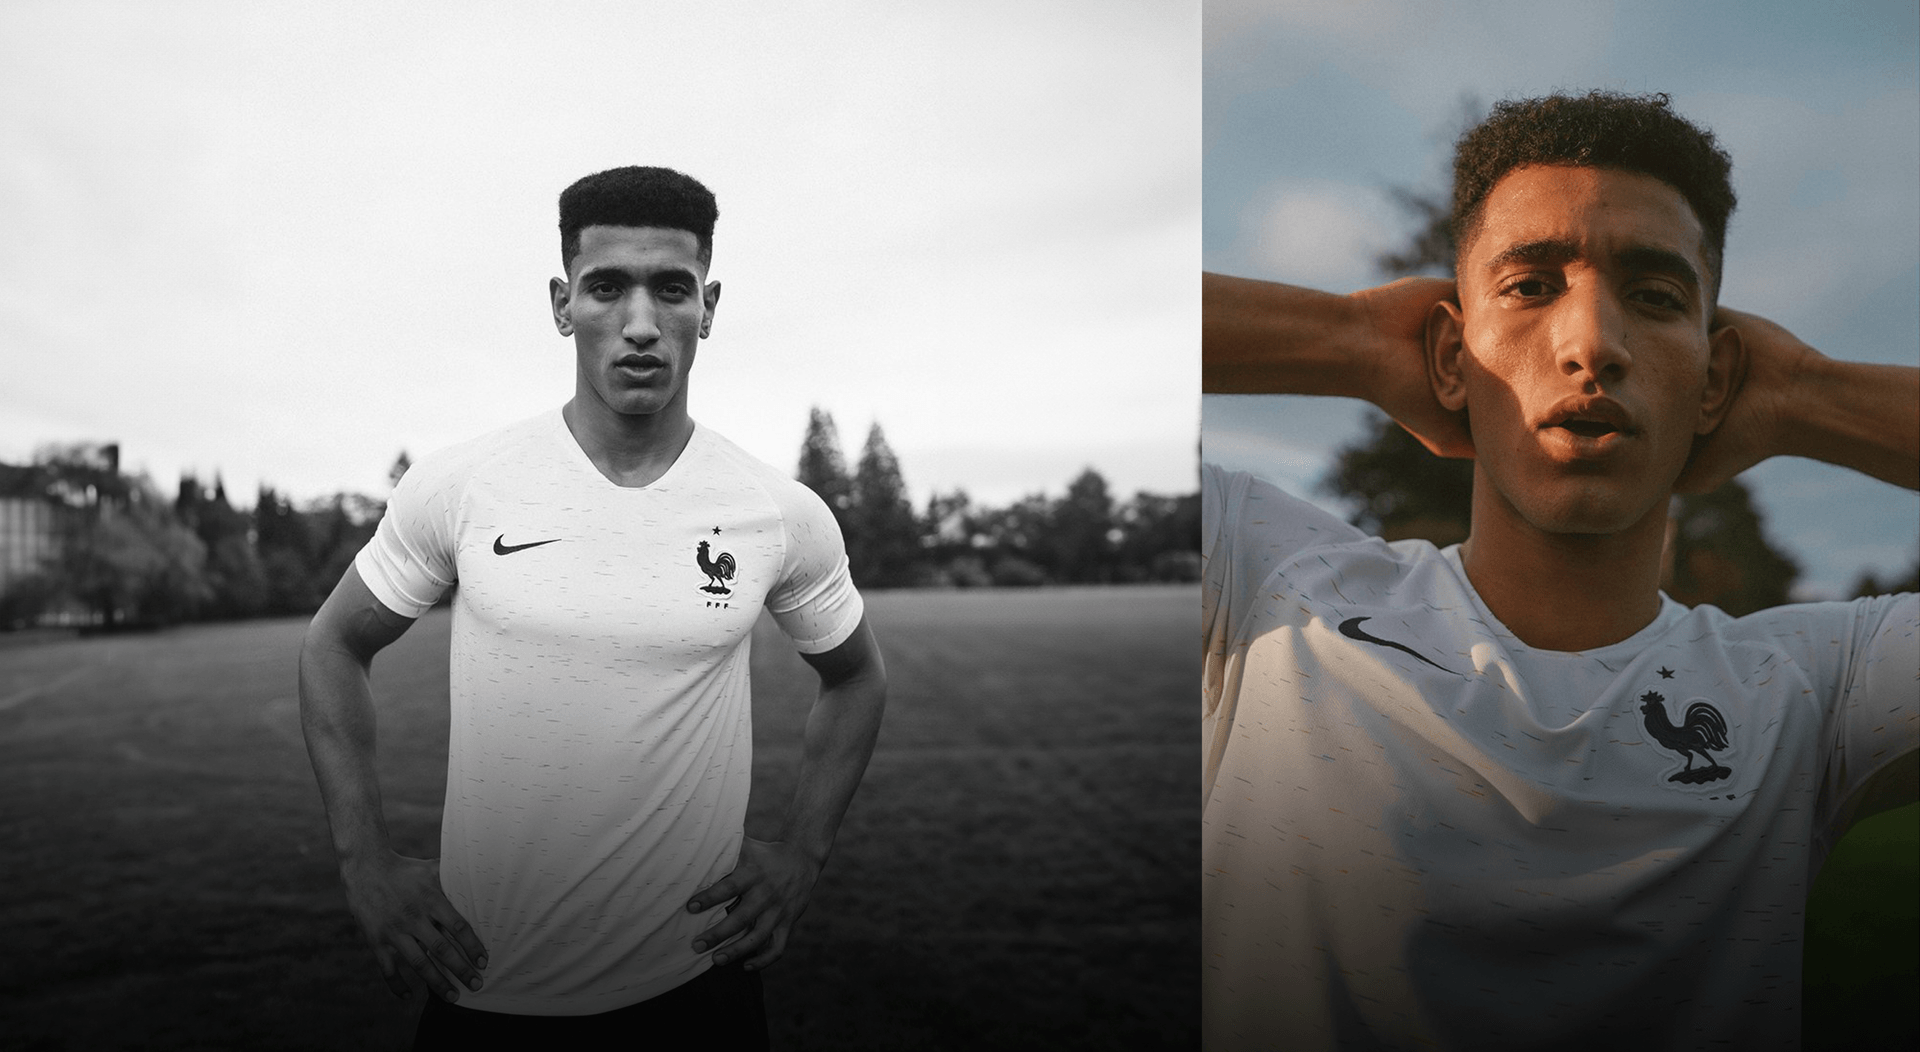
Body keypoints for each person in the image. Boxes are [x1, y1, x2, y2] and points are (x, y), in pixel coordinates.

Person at [1200, 92, 1917, 1051]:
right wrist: (1352, 341)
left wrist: (1803, 395)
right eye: (1532, 286)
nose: (1593, 346)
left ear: (1714, 381)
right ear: (1453, 355)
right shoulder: (1266, 576)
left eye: (1658, 299)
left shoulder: (1814, 688)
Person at [299, 166, 887, 1049]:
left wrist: (802, 852)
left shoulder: (778, 512)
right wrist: (366, 865)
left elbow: (857, 679)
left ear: (710, 305)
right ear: (561, 303)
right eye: (607, 287)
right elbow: (332, 648)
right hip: (485, 992)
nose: (641, 324)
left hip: (699, 991)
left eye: (672, 289)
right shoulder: (466, 487)